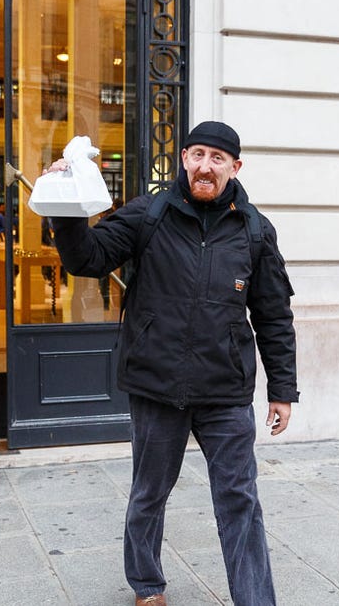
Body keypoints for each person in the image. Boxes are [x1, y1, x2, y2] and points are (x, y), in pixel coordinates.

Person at [41, 121, 298, 606]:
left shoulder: (255, 230)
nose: (205, 166)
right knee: (149, 493)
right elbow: (87, 260)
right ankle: (147, 584)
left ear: (235, 167)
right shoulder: (149, 214)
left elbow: (274, 316)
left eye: (217, 158)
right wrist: (66, 208)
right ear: (183, 158)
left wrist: (283, 389)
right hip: (157, 385)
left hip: (225, 389)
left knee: (240, 500)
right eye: (197, 154)